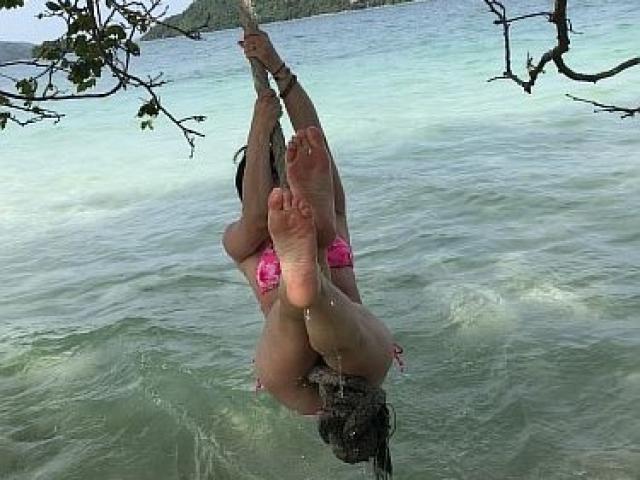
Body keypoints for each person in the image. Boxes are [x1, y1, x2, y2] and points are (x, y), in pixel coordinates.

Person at [222, 31, 396, 474]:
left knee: (293, 307)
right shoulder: (244, 236)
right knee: (325, 308)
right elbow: (258, 216)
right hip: (352, 346)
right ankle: (309, 275)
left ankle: (304, 281)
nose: (284, 195)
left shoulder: (247, 251)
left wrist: (275, 70)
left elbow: (313, 140)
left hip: (290, 372)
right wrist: (261, 125)